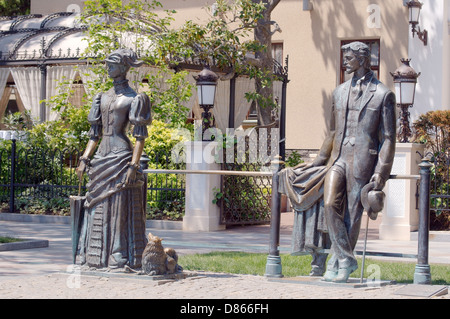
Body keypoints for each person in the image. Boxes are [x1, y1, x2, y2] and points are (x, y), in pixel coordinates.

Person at [310, 42, 396, 282]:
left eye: (349, 58)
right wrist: (318, 160)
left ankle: (338, 263)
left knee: (352, 214)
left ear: (363, 59)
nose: (345, 61)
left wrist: (381, 172)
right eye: (344, 57)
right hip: (338, 157)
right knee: (330, 204)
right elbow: (332, 131)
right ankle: (346, 259)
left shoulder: (383, 94)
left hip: (363, 160)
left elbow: (388, 138)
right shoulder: (338, 92)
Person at [76, 48, 151, 269]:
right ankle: (93, 256)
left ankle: (118, 253)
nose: (107, 67)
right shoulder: (102, 97)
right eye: (107, 63)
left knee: (119, 206)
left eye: (112, 63)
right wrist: (84, 158)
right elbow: (94, 135)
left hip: (121, 156)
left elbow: (140, 137)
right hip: (101, 157)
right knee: (95, 204)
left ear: (124, 67)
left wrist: (133, 165)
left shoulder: (135, 98)